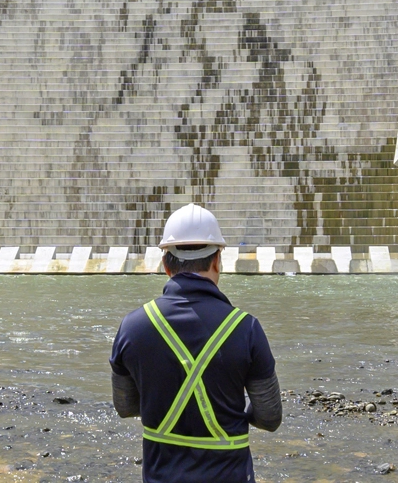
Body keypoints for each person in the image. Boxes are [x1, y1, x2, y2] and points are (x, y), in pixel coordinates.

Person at [109, 203, 281, 483]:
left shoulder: (133, 327)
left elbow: (125, 406)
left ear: (165, 264)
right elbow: (270, 416)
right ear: (217, 261)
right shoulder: (246, 328)